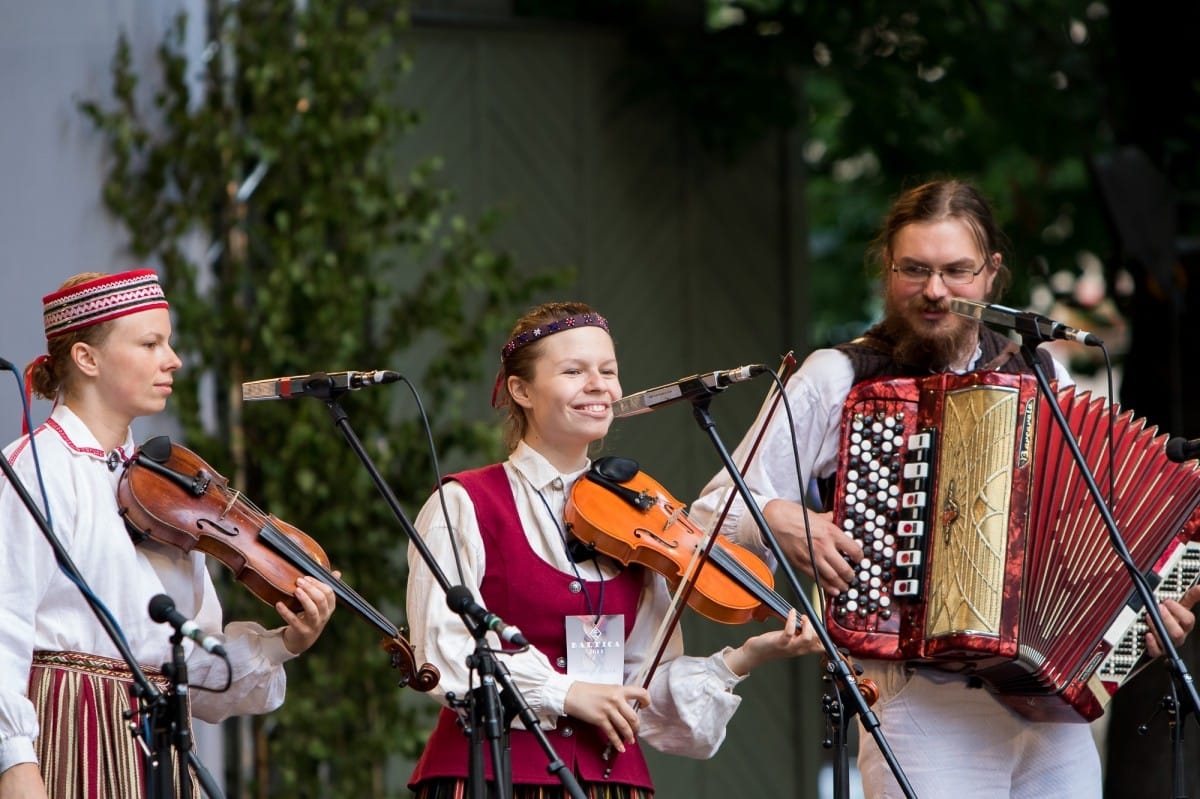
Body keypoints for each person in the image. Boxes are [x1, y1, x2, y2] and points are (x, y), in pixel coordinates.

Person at [689, 178, 1200, 799]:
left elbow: (1079, 536)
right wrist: (779, 516)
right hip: (919, 703)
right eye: (915, 270)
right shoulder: (839, 376)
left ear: (992, 274)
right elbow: (711, 512)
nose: (934, 291)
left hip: (1049, 703)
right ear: (888, 267)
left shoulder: (1042, 371)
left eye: (956, 271)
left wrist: (1135, 623)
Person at [405, 301, 822, 798]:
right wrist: (567, 693)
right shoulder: (462, 503)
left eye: (608, 370)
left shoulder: (640, 519)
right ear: (521, 390)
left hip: (610, 784)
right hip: (491, 776)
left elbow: (645, 690)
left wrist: (747, 656)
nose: (599, 384)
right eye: (573, 371)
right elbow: (441, 650)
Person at [0, 269, 338, 799]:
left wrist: (283, 645)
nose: (172, 359)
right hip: (69, 737)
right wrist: (14, 762)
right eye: (151, 343)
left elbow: (195, 668)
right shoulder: (33, 469)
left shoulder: (169, 492)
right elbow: (3, 629)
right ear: (87, 359)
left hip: (160, 745)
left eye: (169, 341)